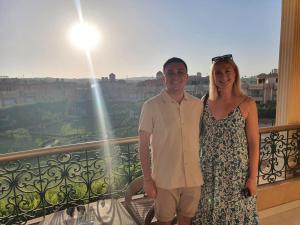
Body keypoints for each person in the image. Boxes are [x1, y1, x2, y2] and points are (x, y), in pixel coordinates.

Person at [192, 54, 260, 225]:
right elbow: (197, 135)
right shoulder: (205, 101)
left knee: (236, 215)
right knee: (208, 212)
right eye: (218, 73)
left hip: (236, 175)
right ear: (213, 77)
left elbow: (253, 143)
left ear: (235, 73)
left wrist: (252, 178)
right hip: (207, 173)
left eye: (227, 71)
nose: (223, 77)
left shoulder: (248, 103)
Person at [139, 57, 203, 225]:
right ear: (164, 78)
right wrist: (147, 180)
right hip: (164, 180)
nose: (175, 76)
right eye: (170, 73)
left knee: (186, 220)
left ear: (186, 76)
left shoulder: (197, 105)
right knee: (164, 222)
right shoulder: (151, 106)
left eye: (180, 72)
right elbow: (143, 144)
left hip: (193, 179)